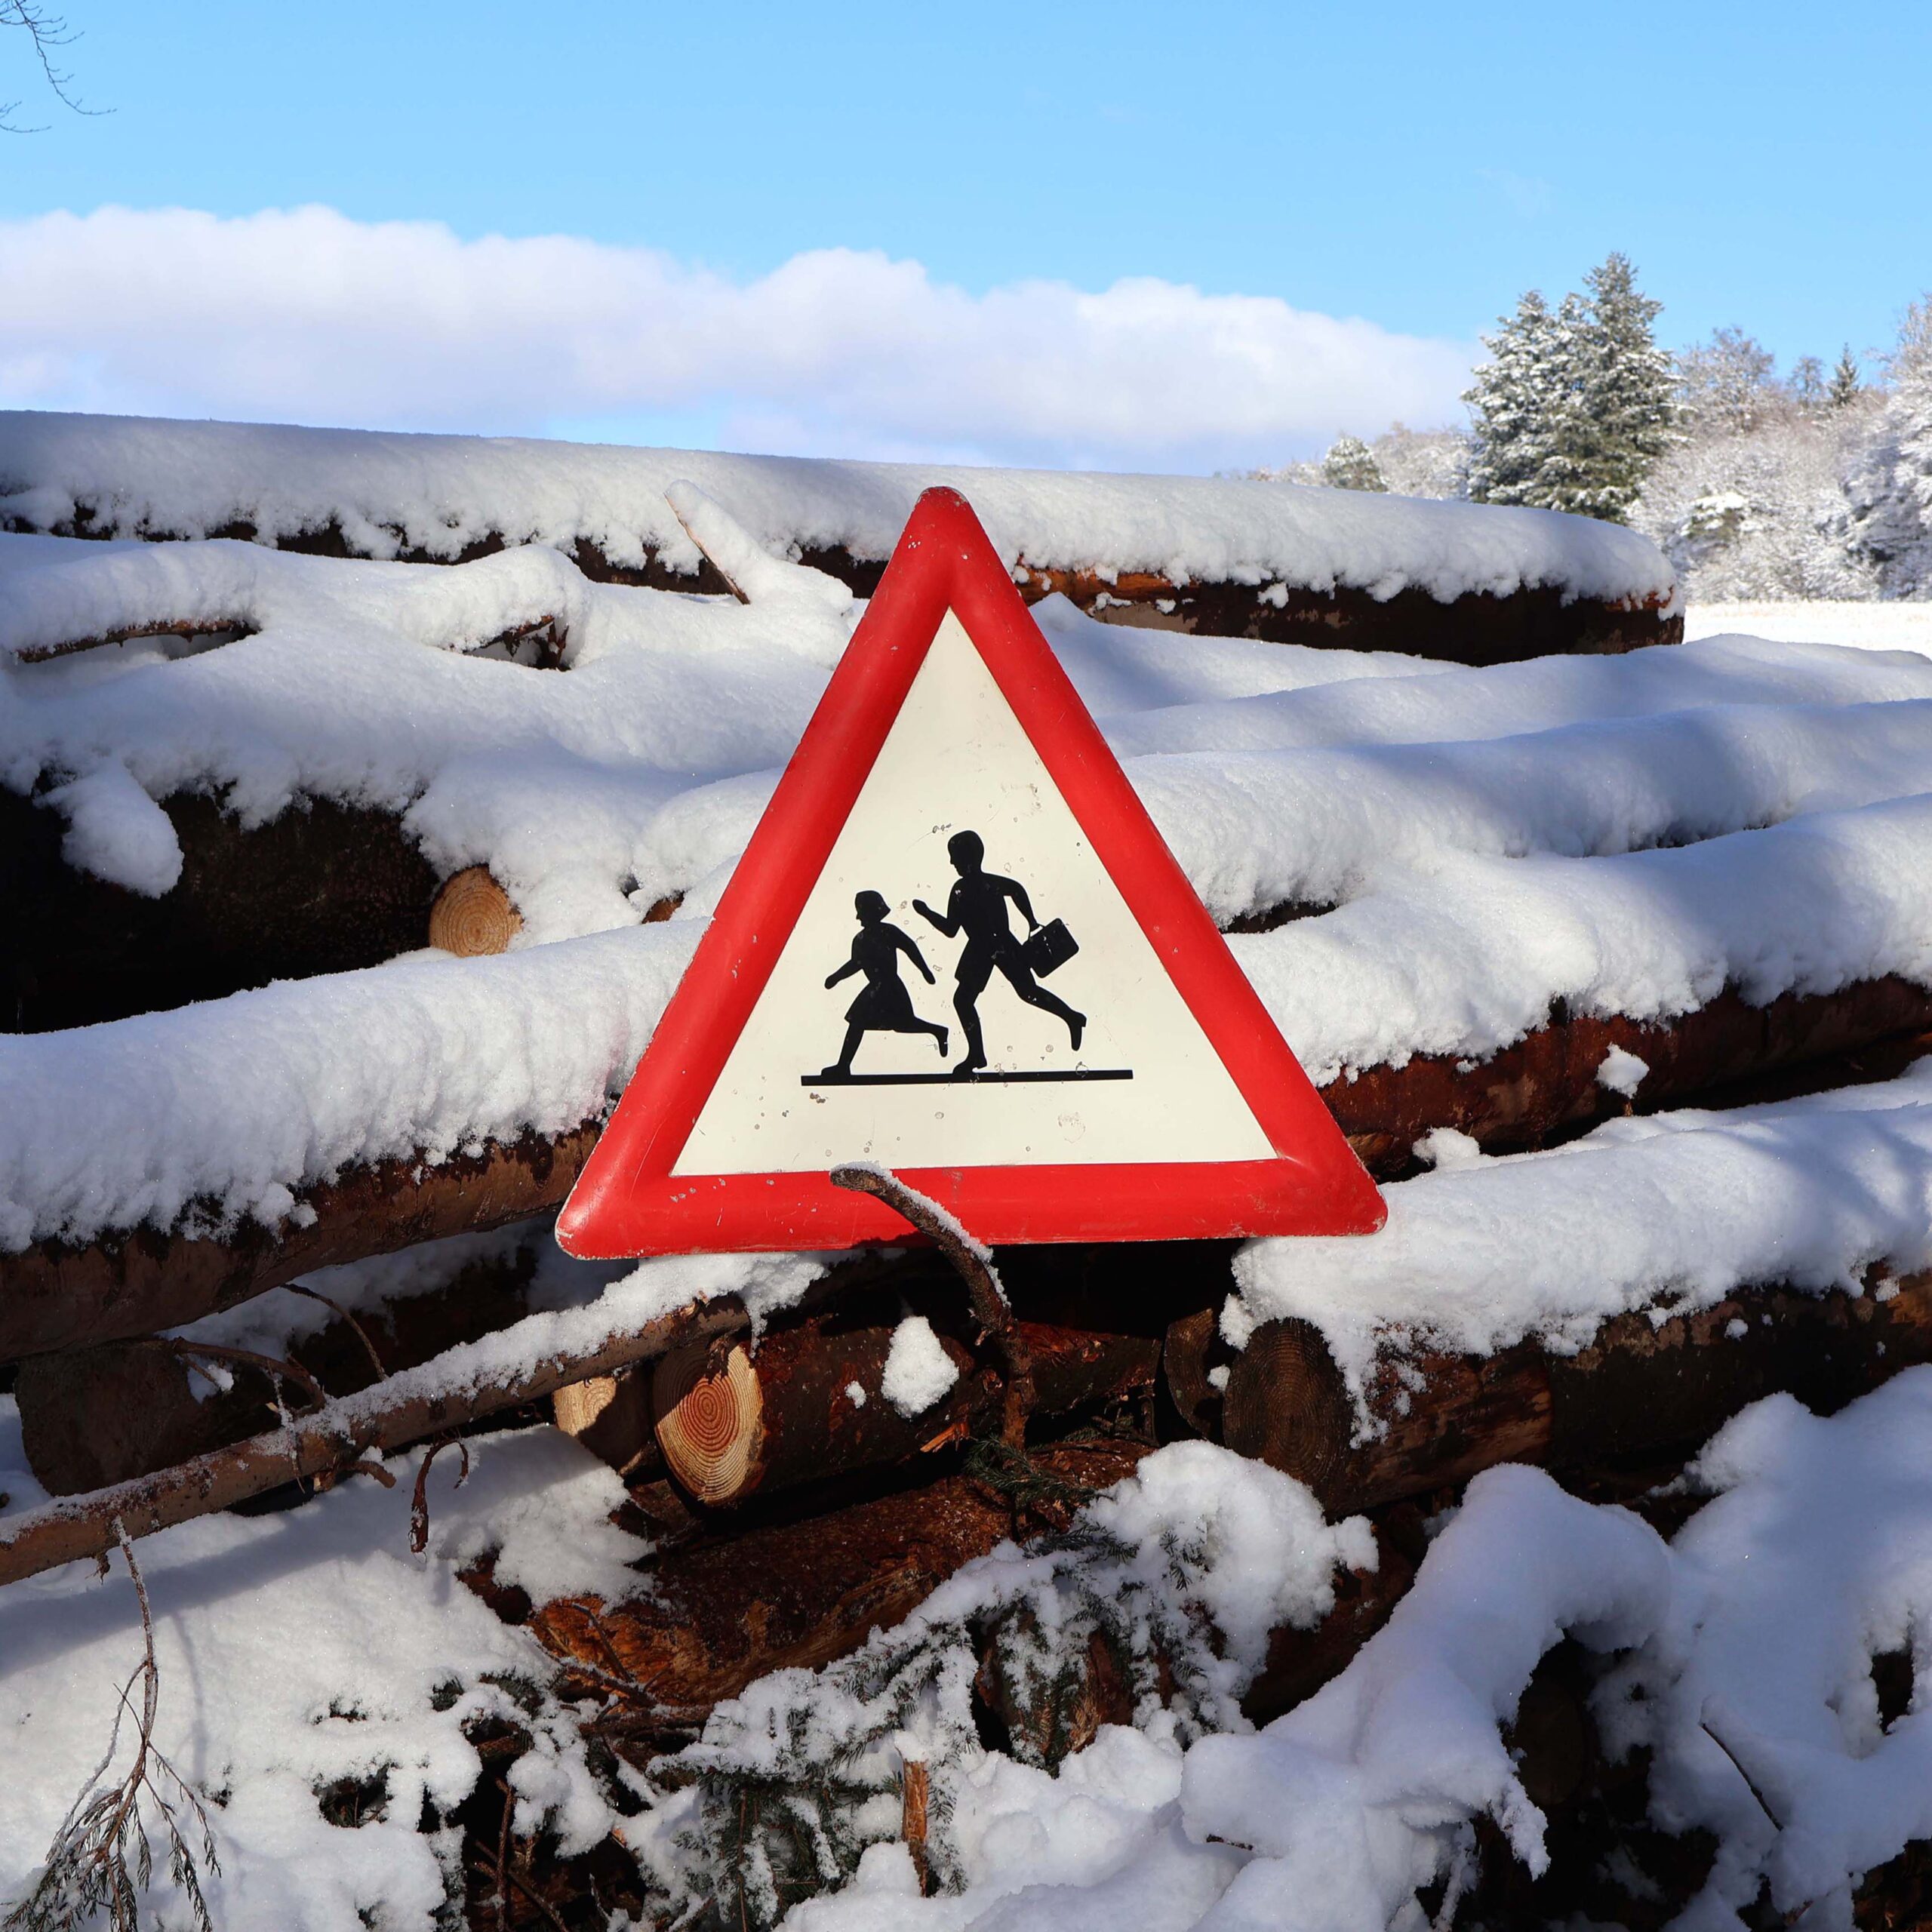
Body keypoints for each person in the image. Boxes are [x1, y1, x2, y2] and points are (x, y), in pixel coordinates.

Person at [913, 829, 1084, 1076]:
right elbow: (952, 929)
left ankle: (1071, 1017)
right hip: (981, 949)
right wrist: (927, 913)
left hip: (1002, 945)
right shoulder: (965, 888)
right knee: (965, 1000)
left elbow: (1016, 890)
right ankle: (977, 1054)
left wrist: (1032, 921)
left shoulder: (978, 885)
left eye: (955, 857)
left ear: (968, 858)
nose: (952, 863)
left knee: (1026, 993)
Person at [820, 890, 949, 1076]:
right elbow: (855, 964)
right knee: (860, 1022)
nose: (858, 917)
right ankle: (843, 1066)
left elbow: (910, 947)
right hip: (875, 988)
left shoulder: (888, 932)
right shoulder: (860, 940)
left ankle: (938, 1031)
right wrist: (836, 977)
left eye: (861, 911)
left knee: (901, 1024)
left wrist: (925, 970)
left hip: (890, 986)